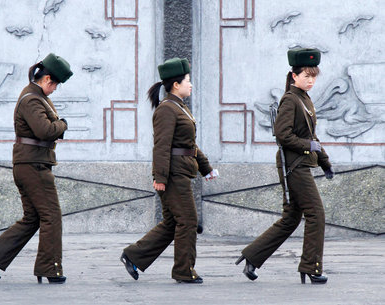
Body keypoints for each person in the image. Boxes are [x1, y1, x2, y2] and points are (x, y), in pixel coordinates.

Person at [235, 48, 334, 284]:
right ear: (294, 75)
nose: (311, 80)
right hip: (294, 167)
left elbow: (312, 137)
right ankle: (312, 266)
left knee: (290, 219)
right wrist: (308, 147)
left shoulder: (304, 98)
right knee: (316, 214)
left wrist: (325, 162)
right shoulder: (291, 99)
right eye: (306, 75)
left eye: (314, 76)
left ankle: (252, 257)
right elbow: (282, 134)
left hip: (299, 164)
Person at [120, 57, 218, 284]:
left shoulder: (179, 107)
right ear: (176, 84)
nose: (191, 85)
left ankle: (134, 255)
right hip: (173, 174)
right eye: (187, 81)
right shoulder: (167, 109)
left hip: (181, 171)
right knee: (188, 221)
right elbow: (162, 146)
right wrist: (160, 177)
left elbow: (189, 145)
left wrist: (206, 168)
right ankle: (184, 271)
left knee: (174, 222)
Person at [0, 53, 72, 284]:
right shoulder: (32, 99)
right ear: (47, 78)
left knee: (33, 218)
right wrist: (63, 125)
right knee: (52, 216)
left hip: (31, 163)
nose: (55, 89)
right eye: (55, 84)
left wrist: (56, 126)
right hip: (33, 165)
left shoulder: (36, 97)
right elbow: (45, 130)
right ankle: (50, 268)